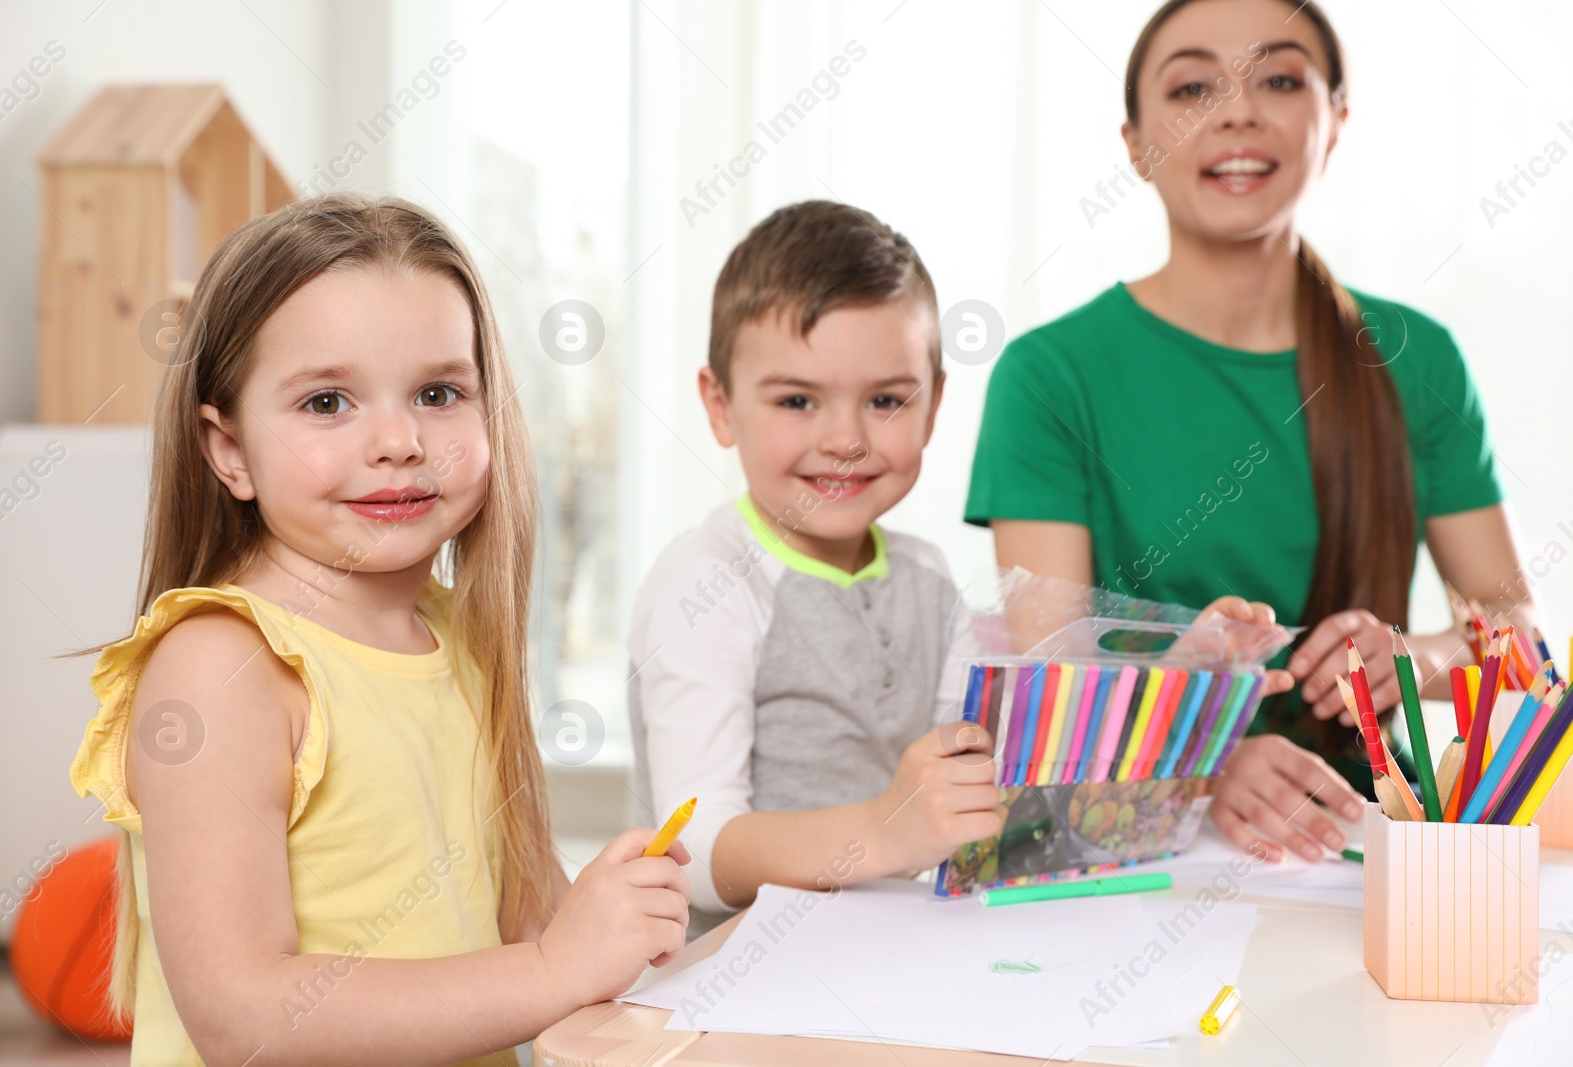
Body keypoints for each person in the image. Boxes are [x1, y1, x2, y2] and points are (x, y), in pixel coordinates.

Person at [68, 194, 689, 1066]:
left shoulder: (461, 639)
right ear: (230, 449)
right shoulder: (220, 667)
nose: (399, 440)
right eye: (327, 401)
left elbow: (526, 920)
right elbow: (243, 1015)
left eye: (439, 392)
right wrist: (554, 965)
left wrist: (610, 916)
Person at [965, 0, 1532, 861]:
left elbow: (1515, 636)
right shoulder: (1049, 374)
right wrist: (1204, 761)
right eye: (1194, 86)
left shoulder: (1417, 360)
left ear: (1335, 121)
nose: (1236, 111)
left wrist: (1416, 661)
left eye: (1277, 78)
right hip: (1135, 842)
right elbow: (1055, 681)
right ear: (1133, 144)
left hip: (1370, 838)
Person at [627, 200, 1289, 928]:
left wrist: (1177, 677)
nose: (845, 438)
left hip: (899, 961)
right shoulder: (707, 578)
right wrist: (883, 830)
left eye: (885, 399)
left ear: (934, 404)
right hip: (738, 994)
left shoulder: (928, 577)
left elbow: (1010, 791)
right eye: (797, 400)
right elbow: (694, 847)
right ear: (719, 406)